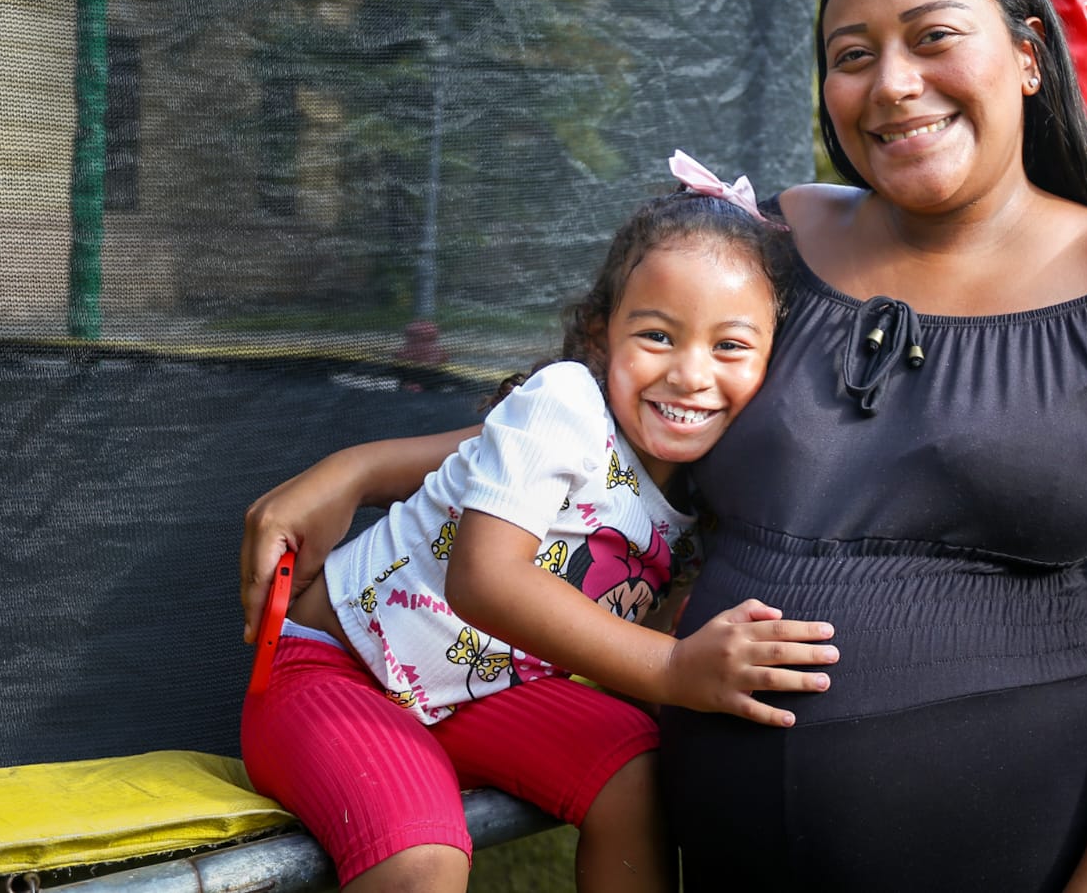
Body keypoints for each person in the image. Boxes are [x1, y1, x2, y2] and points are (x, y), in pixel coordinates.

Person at [244, 0, 1087, 892]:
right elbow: (599, 424)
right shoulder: (771, 246)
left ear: (1030, 54)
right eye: (851, 52)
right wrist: (360, 468)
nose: (893, 83)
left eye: (933, 37)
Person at [239, 154, 840, 893]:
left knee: (638, 768)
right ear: (600, 335)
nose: (690, 373)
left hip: (480, 692)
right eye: (657, 335)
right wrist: (676, 669)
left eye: (730, 346)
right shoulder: (565, 404)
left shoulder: (709, 484)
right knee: (420, 849)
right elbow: (485, 579)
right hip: (337, 670)